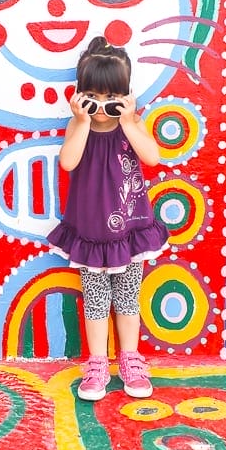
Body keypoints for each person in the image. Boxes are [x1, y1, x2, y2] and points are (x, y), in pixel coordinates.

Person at [47, 37, 169, 401]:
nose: (102, 107)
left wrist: (129, 119)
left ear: (126, 94)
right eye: (93, 97)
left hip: (130, 231)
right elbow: (68, 162)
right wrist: (82, 120)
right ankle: (97, 363)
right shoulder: (77, 125)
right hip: (91, 232)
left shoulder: (132, 123)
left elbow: (153, 158)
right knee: (96, 299)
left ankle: (130, 359)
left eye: (111, 97)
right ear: (80, 95)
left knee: (128, 298)